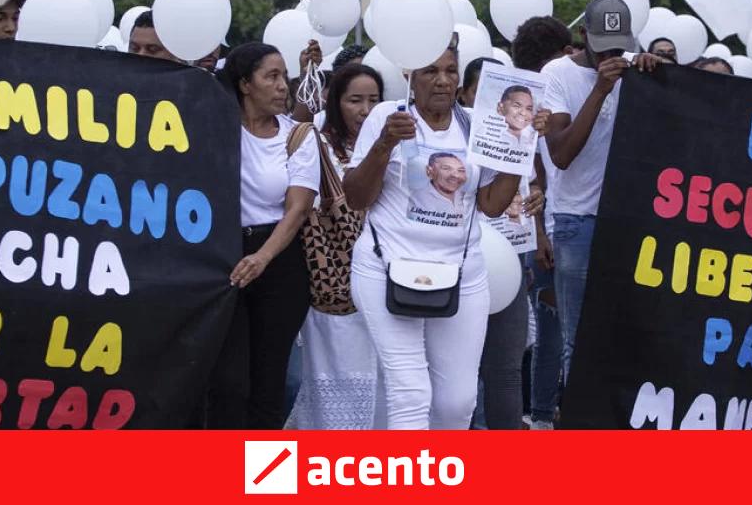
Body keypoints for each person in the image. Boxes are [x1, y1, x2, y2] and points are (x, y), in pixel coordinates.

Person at [343, 36, 530, 429]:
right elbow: (357, 197)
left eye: (450, 70)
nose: (443, 80)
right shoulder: (385, 117)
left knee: (457, 404)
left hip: (462, 274)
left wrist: (520, 148)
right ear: (411, 76)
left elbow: (493, 205)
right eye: (431, 71)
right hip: (386, 269)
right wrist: (385, 144)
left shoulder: (478, 125)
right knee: (410, 392)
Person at [542, 0, 660, 387]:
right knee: (578, 338)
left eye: (618, 47)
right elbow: (560, 153)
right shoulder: (557, 74)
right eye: (602, 46)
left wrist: (658, 78)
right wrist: (600, 91)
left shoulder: (635, 74)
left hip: (627, 220)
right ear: (582, 36)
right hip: (576, 220)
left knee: (626, 335)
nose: (611, 55)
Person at [206, 42, 319, 429]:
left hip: (279, 262)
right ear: (244, 84)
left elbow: (298, 209)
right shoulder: (213, 129)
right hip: (222, 257)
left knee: (271, 383)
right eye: (270, 76)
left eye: (282, 76)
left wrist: (262, 258)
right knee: (227, 381)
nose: (282, 86)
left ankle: (266, 483)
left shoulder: (299, 136)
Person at [288, 63, 386, 429]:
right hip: (333, 278)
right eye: (355, 100)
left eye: (373, 100)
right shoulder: (320, 144)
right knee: (334, 373)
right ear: (335, 103)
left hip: (383, 276)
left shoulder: (391, 144)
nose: (364, 110)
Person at [511, 15, 574, 430]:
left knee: (552, 330)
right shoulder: (533, 104)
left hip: (545, 229)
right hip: (544, 230)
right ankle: (540, 414)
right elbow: (534, 170)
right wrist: (539, 235)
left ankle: (542, 412)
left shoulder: (541, 96)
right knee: (551, 330)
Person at [496, 85, 536, 150]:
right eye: (517, 106)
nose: (523, 113)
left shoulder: (531, 139)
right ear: (500, 108)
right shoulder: (487, 135)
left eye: (528, 109)